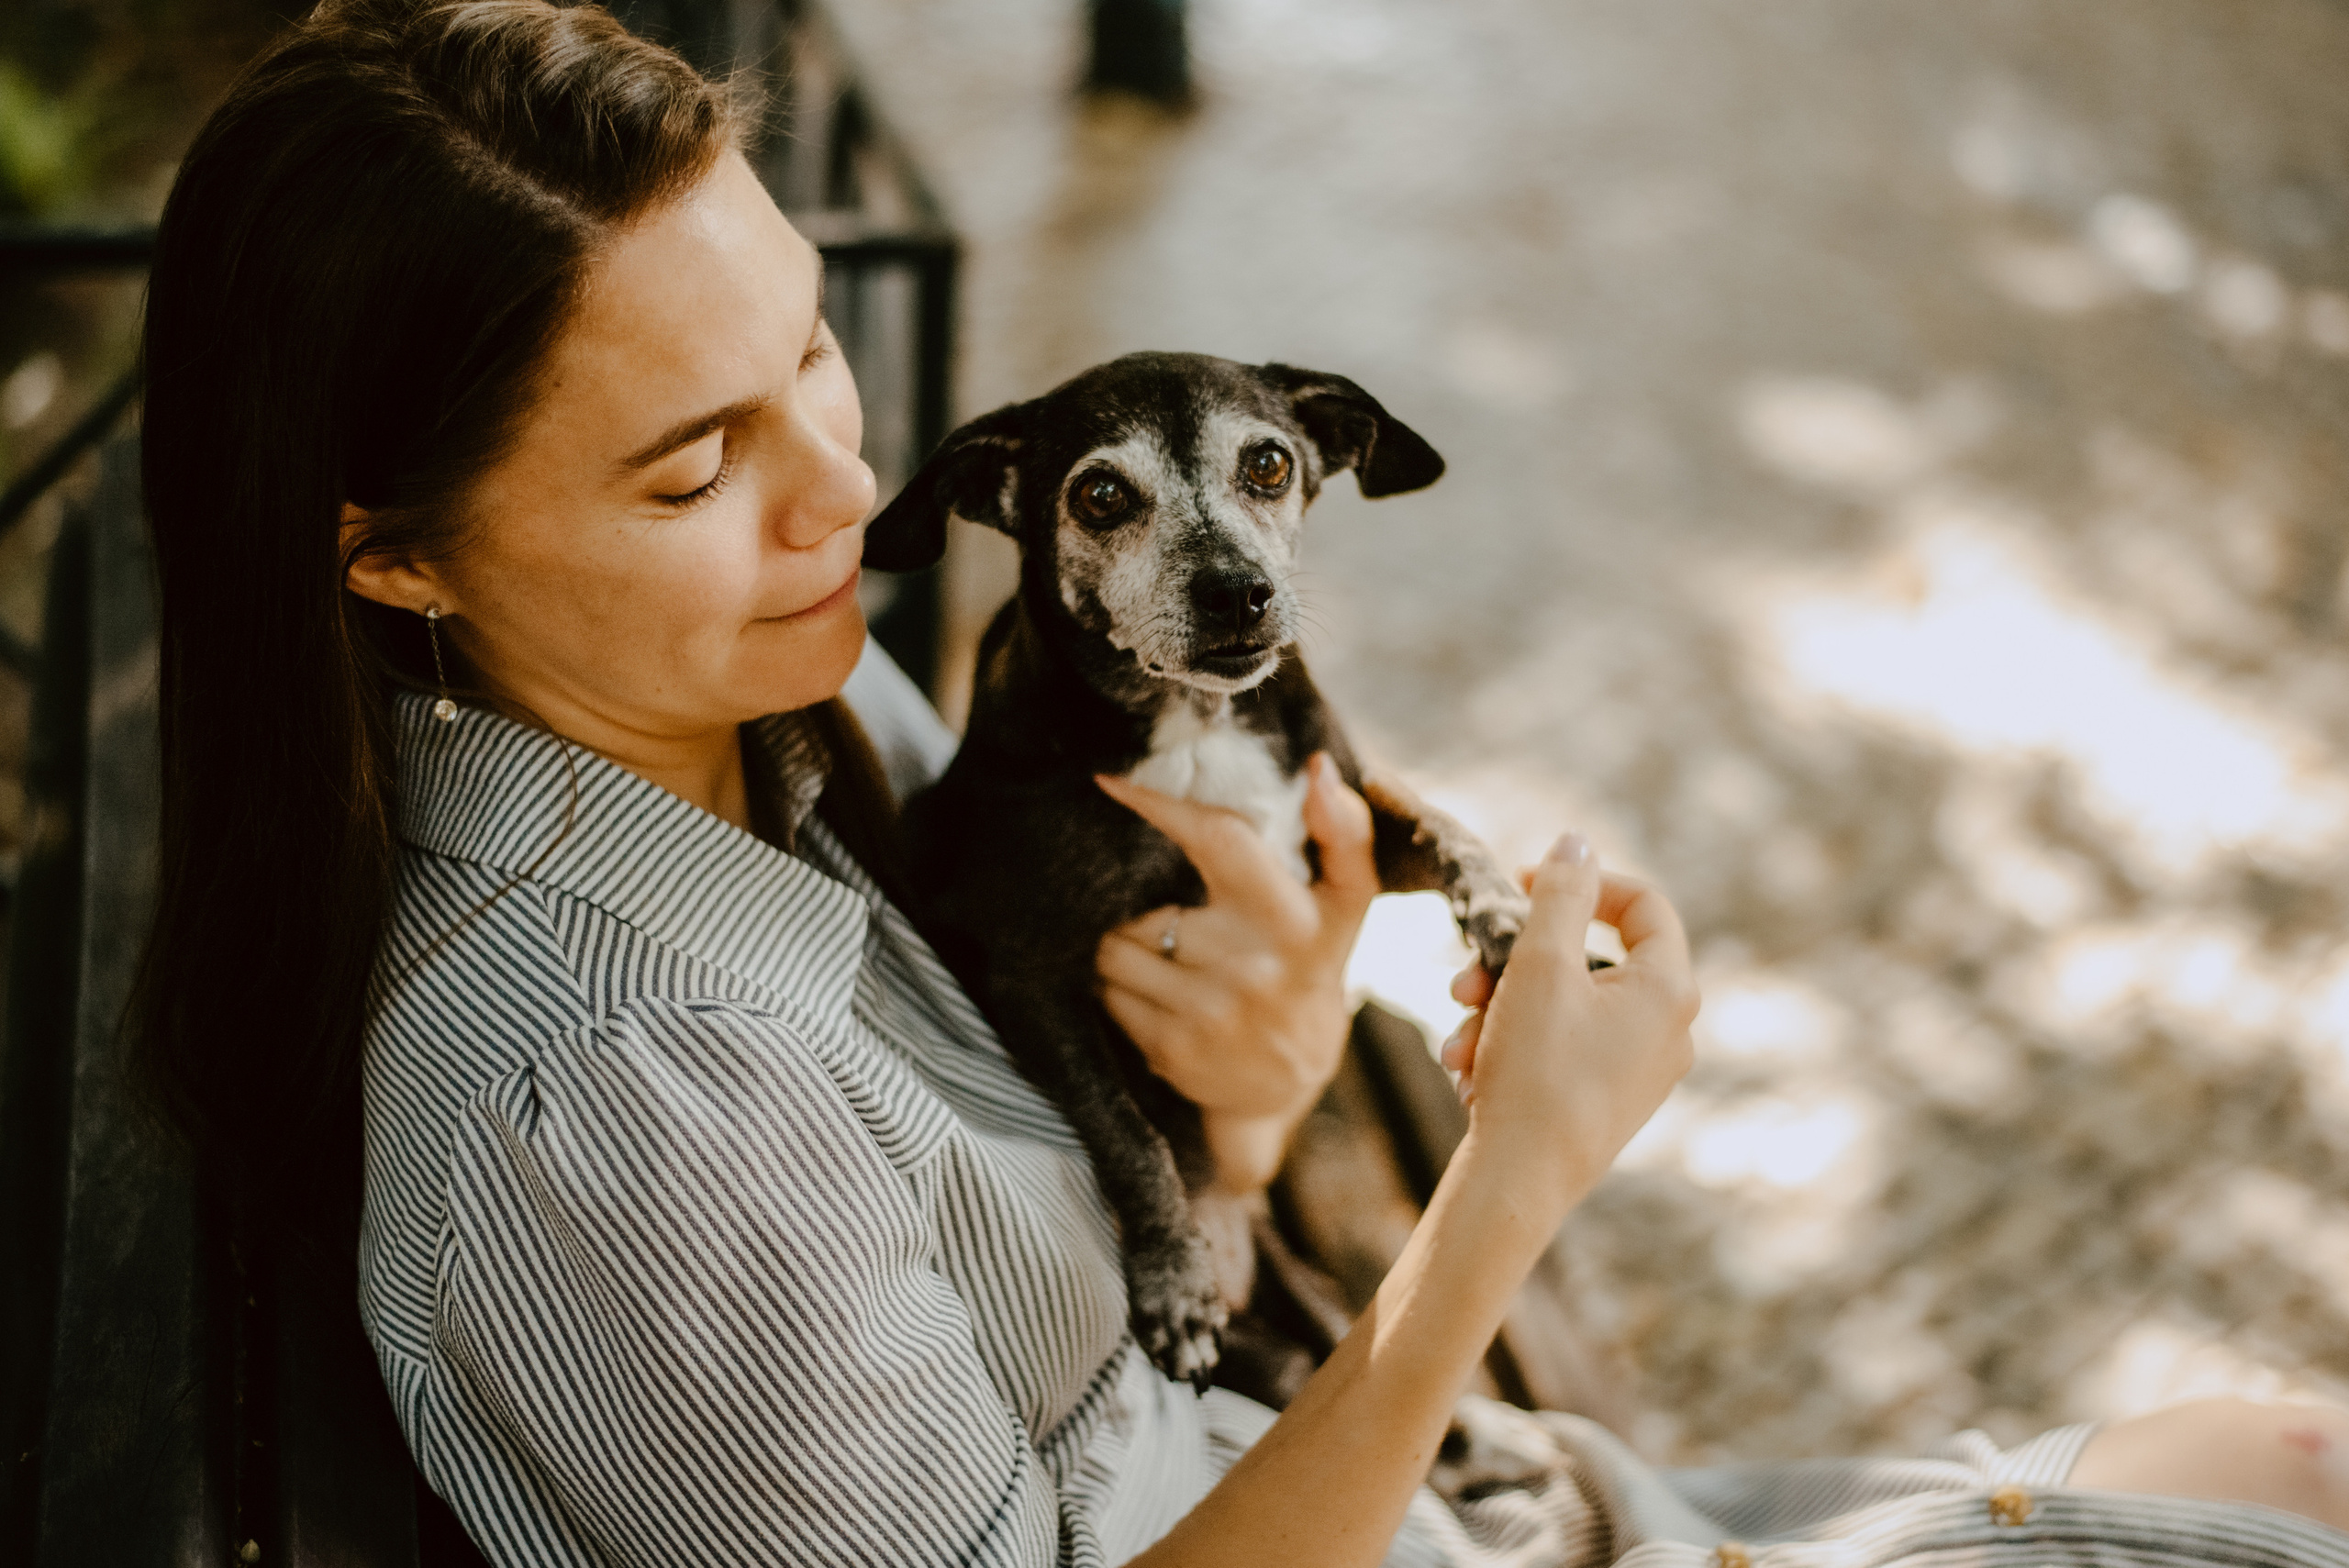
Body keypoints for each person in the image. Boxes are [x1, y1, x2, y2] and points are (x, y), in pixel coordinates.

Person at [130, 2, 2349, 1563]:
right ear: (392, 546)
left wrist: (1264, 1091)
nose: (843, 486)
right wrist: (1508, 1191)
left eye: (808, 343)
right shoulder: (612, 1108)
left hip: (1387, 1488)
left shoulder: (775, 721)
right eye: (696, 463)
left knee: (2282, 1452)